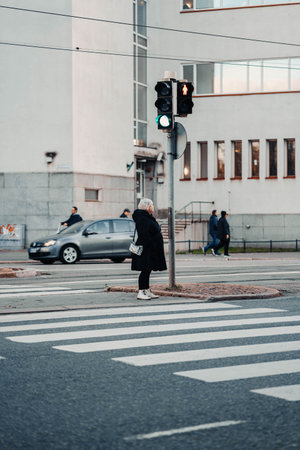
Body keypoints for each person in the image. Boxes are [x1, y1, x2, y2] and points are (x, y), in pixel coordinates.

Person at [131, 198, 167, 300]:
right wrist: (151, 244)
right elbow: (144, 234)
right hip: (146, 249)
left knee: (148, 270)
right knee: (145, 270)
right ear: (147, 207)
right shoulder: (142, 218)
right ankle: (141, 291)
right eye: (151, 205)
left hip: (150, 249)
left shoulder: (147, 217)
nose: (153, 207)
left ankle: (146, 290)